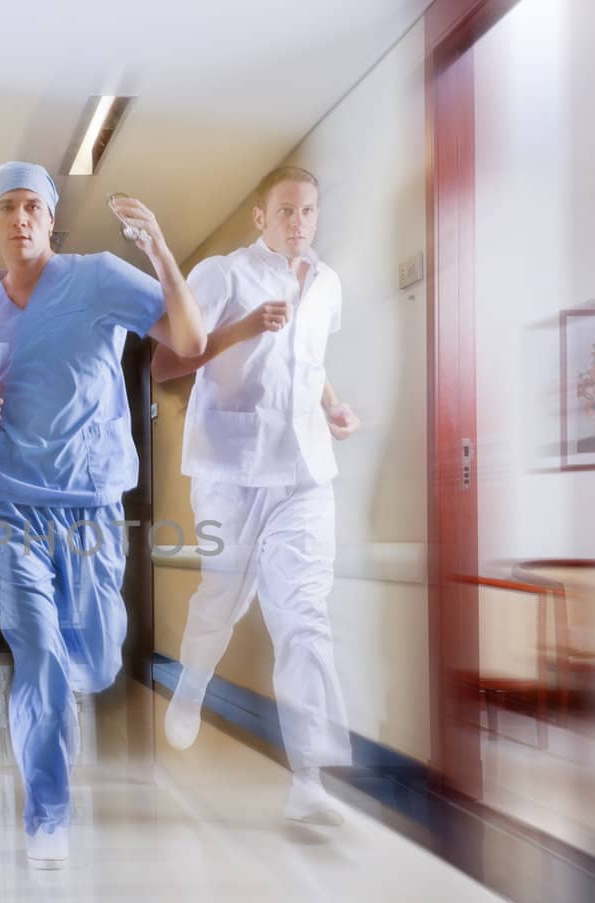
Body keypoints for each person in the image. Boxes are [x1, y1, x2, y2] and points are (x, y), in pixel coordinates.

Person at [0, 161, 205, 869]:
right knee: (36, 656)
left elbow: (186, 341)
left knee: (94, 661)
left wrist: (159, 248)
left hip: (91, 500)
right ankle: (47, 813)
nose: (20, 218)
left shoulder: (97, 277)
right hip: (8, 502)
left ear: (51, 216)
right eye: (6, 206)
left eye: (33, 205)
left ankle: (73, 681)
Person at [152, 166, 362, 825]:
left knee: (303, 614)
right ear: (260, 217)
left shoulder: (328, 284)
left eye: (308, 212)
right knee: (222, 597)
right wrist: (242, 329)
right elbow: (165, 364)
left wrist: (332, 405)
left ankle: (311, 780)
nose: (299, 222)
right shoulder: (223, 274)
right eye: (287, 211)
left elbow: (310, 361)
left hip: (303, 473)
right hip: (230, 470)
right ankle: (191, 685)